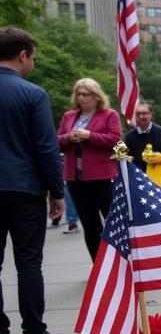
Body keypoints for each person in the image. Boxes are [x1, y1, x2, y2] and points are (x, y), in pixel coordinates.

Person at [0, 27, 65, 334]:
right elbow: (46, 148)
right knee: (28, 262)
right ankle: (34, 333)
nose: (33, 65)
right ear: (23, 54)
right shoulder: (32, 94)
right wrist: (57, 192)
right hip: (24, 189)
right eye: (33, 58)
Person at [57, 77, 121, 262]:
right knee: (89, 225)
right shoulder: (69, 116)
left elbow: (115, 140)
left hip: (102, 177)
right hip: (75, 179)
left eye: (86, 94)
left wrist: (90, 136)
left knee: (113, 223)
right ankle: (99, 267)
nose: (81, 98)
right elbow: (57, 141)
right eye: (78, 94)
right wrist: (68, 137)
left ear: (96, 95)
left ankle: (121, 264)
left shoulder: (109, 115)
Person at [123, 103, 161, 181]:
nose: (141, 116)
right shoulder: (129, 135)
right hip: (138, 176)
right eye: (138, 114)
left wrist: (152, 157)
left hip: (158, 176)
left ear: (151, 115)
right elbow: (127, 156)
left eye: (145, 113)